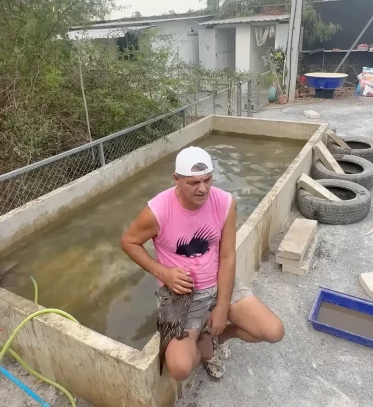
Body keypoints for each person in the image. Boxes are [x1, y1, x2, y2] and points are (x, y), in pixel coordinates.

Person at [120, 146, 284, 380]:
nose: (203, 189)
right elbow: (128, 242)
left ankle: (218, 336)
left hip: (216, 281)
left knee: (273, 331)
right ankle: (206, 349)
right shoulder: (157, 211)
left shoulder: (225, 203)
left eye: (208, 180)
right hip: (180, 293)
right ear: (176, 179)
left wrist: (222, 307)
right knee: (178, 368)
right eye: (194, 183)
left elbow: (227, 256)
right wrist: (163, 273)